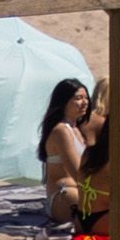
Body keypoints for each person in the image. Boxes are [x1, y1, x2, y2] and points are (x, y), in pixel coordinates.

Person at [37, 77, 97, 227]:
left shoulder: (77, 128)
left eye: (86, 98)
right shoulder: (61, 131)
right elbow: (78, 173)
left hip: (81, 189)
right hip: (63, 195)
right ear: (64, 102)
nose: (85, 102)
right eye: (78, 98)